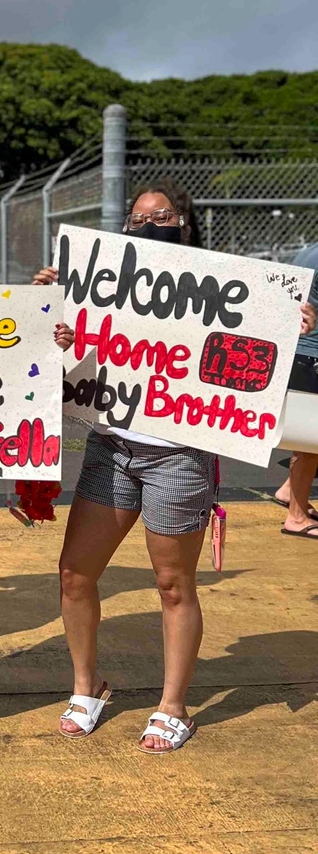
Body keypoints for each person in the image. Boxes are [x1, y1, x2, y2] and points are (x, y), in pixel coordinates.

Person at [36, 180, 316, 753]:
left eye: (161, 216)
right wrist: (49, 306)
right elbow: (65, 351)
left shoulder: (225, 284)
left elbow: (248, 360)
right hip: (112, 446)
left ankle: (172, 706)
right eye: (137, 219)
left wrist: (288, 328)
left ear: (184, 224)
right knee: (74, 574)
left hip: (180, 455)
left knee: (172, 584)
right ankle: (88, 688)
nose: (147, 225)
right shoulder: (105, 285)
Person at [273, 237, 318, 539]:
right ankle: (297, 517)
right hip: (310, 354)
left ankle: (291, 491)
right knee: (310, 440)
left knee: (308, 437)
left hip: (301, 352)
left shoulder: (309, 250)